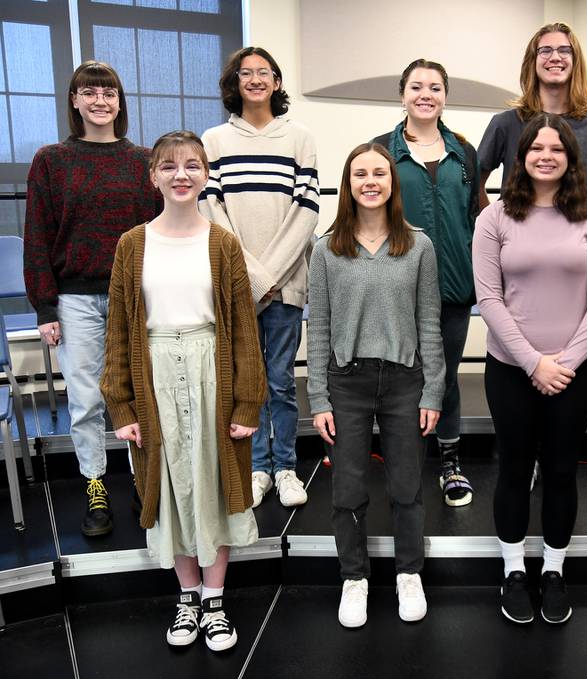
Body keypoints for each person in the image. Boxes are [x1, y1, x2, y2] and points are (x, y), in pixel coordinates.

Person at [101, 130, 266, 651]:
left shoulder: (222, 243)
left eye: (192, 165)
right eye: (169, 166)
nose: (181, 175)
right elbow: (118, 330)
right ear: (153, 176)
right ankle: (187, 596)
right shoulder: (133, 244)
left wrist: (246, 400)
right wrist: (121, 403)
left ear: (206, 174)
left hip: (211, 371)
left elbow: (242, 326)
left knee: (215, 484)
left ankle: (215, 602)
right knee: (170, 486)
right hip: (154, 377)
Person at [473, 113, 587, 625]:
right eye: (537, 148)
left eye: (558, 149)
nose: (547, 155)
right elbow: (488, 298)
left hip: (574, 372)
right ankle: (514, 570)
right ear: (522, 156)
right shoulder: (492, 219)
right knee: (513, 469)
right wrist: (534, 362)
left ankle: (553, 570)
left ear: (571, 158)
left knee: (560, 472)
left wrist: (566, 363)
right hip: (510, 369)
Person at [306, 143, 445, 629]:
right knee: (347, 488)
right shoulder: (326, 250)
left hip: (405, 382)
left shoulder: (419, 246)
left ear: (392, 183)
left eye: (380, 173)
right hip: (347, 382)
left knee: (407, 485)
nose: (370, 181)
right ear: (348, 183)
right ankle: (354, 578)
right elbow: (317, 326)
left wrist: (432, 391)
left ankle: (409, 573)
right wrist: (318, 397)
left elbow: (430, 322)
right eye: (360, 173)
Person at [24, 60, 161, 537]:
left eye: (109, 93)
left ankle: (144, 480)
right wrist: (44, 307)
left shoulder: (144, 161)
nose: (100, 100)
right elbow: (37, 236)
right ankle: (96, 485)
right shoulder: (51, 160)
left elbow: (162, 234)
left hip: (135, 297)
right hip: (74, 300)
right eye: (90, 92)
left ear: (120, 103)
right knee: (86, 401)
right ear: (75, 101)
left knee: (140, 394)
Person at [199, 47, 318, 509]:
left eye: (262, 72)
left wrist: (269, 275)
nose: (254, 80)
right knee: (245, 383)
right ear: (234, 83)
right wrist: (250, 276)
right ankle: (257, 468)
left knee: (282, 381)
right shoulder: (214, 140)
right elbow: (213, 211)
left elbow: (305, 211)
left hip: (286, 284)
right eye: (245, 73)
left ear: (276, 81)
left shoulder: (300, 137)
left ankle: (285, 467)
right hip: (236, 286)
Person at [373, 59, 479, 508]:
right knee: (401, 379)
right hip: (398, 286)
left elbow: (475, 215)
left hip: (454, 286)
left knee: (445, 377)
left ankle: (450, 462)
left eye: (435, 87)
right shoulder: (379, 150)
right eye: (416, 86)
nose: (425, 94)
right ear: (402, 95)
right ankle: (405, 463)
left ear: (445, 96)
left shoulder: (464, 151)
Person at [477, 21, 587, 212]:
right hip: (516, 239)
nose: (555, 57)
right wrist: (495, 224)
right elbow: (475, 183)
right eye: (545, 50)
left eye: (564, 50)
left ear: (575, 61)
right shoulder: (505, 124)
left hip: (573, 239)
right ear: (533, 61)